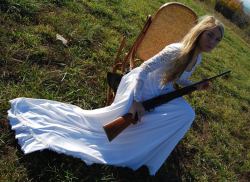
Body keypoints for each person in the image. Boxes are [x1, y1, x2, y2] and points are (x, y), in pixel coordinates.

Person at [8, 15, 224, 175]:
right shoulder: (176, 50)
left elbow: (180, 79)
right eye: (210, 35)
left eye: (217, 40)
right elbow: (145, 68)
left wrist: (195, 85)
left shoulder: (198, 59)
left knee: (187, 114)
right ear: (199, 32)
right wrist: (137, 102)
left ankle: (147, 146)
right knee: (112, 127)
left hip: (162, 90)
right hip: (139, 85)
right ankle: (131, 142)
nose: (212, 42)